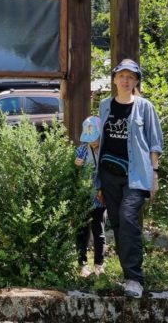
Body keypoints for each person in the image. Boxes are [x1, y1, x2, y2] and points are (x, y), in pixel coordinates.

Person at [95, 58, 163, 298]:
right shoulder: (104, 105)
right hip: (108, 174)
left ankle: (135, 278)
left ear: (136, 82)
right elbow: (100, 139)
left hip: (136, 175)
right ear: (114, 79)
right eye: (121, 76)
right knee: (117, 223)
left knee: (128, 218)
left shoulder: (145, 107)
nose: (125, 80)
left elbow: (155, 143)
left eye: (130, 77)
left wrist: (154, 175)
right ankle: (128, 276)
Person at [74, 116, 107, 278]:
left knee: (98, 230)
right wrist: (76, 164)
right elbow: (73, 172)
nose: (92, 142)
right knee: (82, 231)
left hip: (99, 196)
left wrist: (103, 189)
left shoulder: (105, 151)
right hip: (83, 195)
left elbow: (108, 172)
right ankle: (82, 264)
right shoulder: (82, 149)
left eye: (95, 138)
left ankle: (99, 264)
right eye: (90, 139)